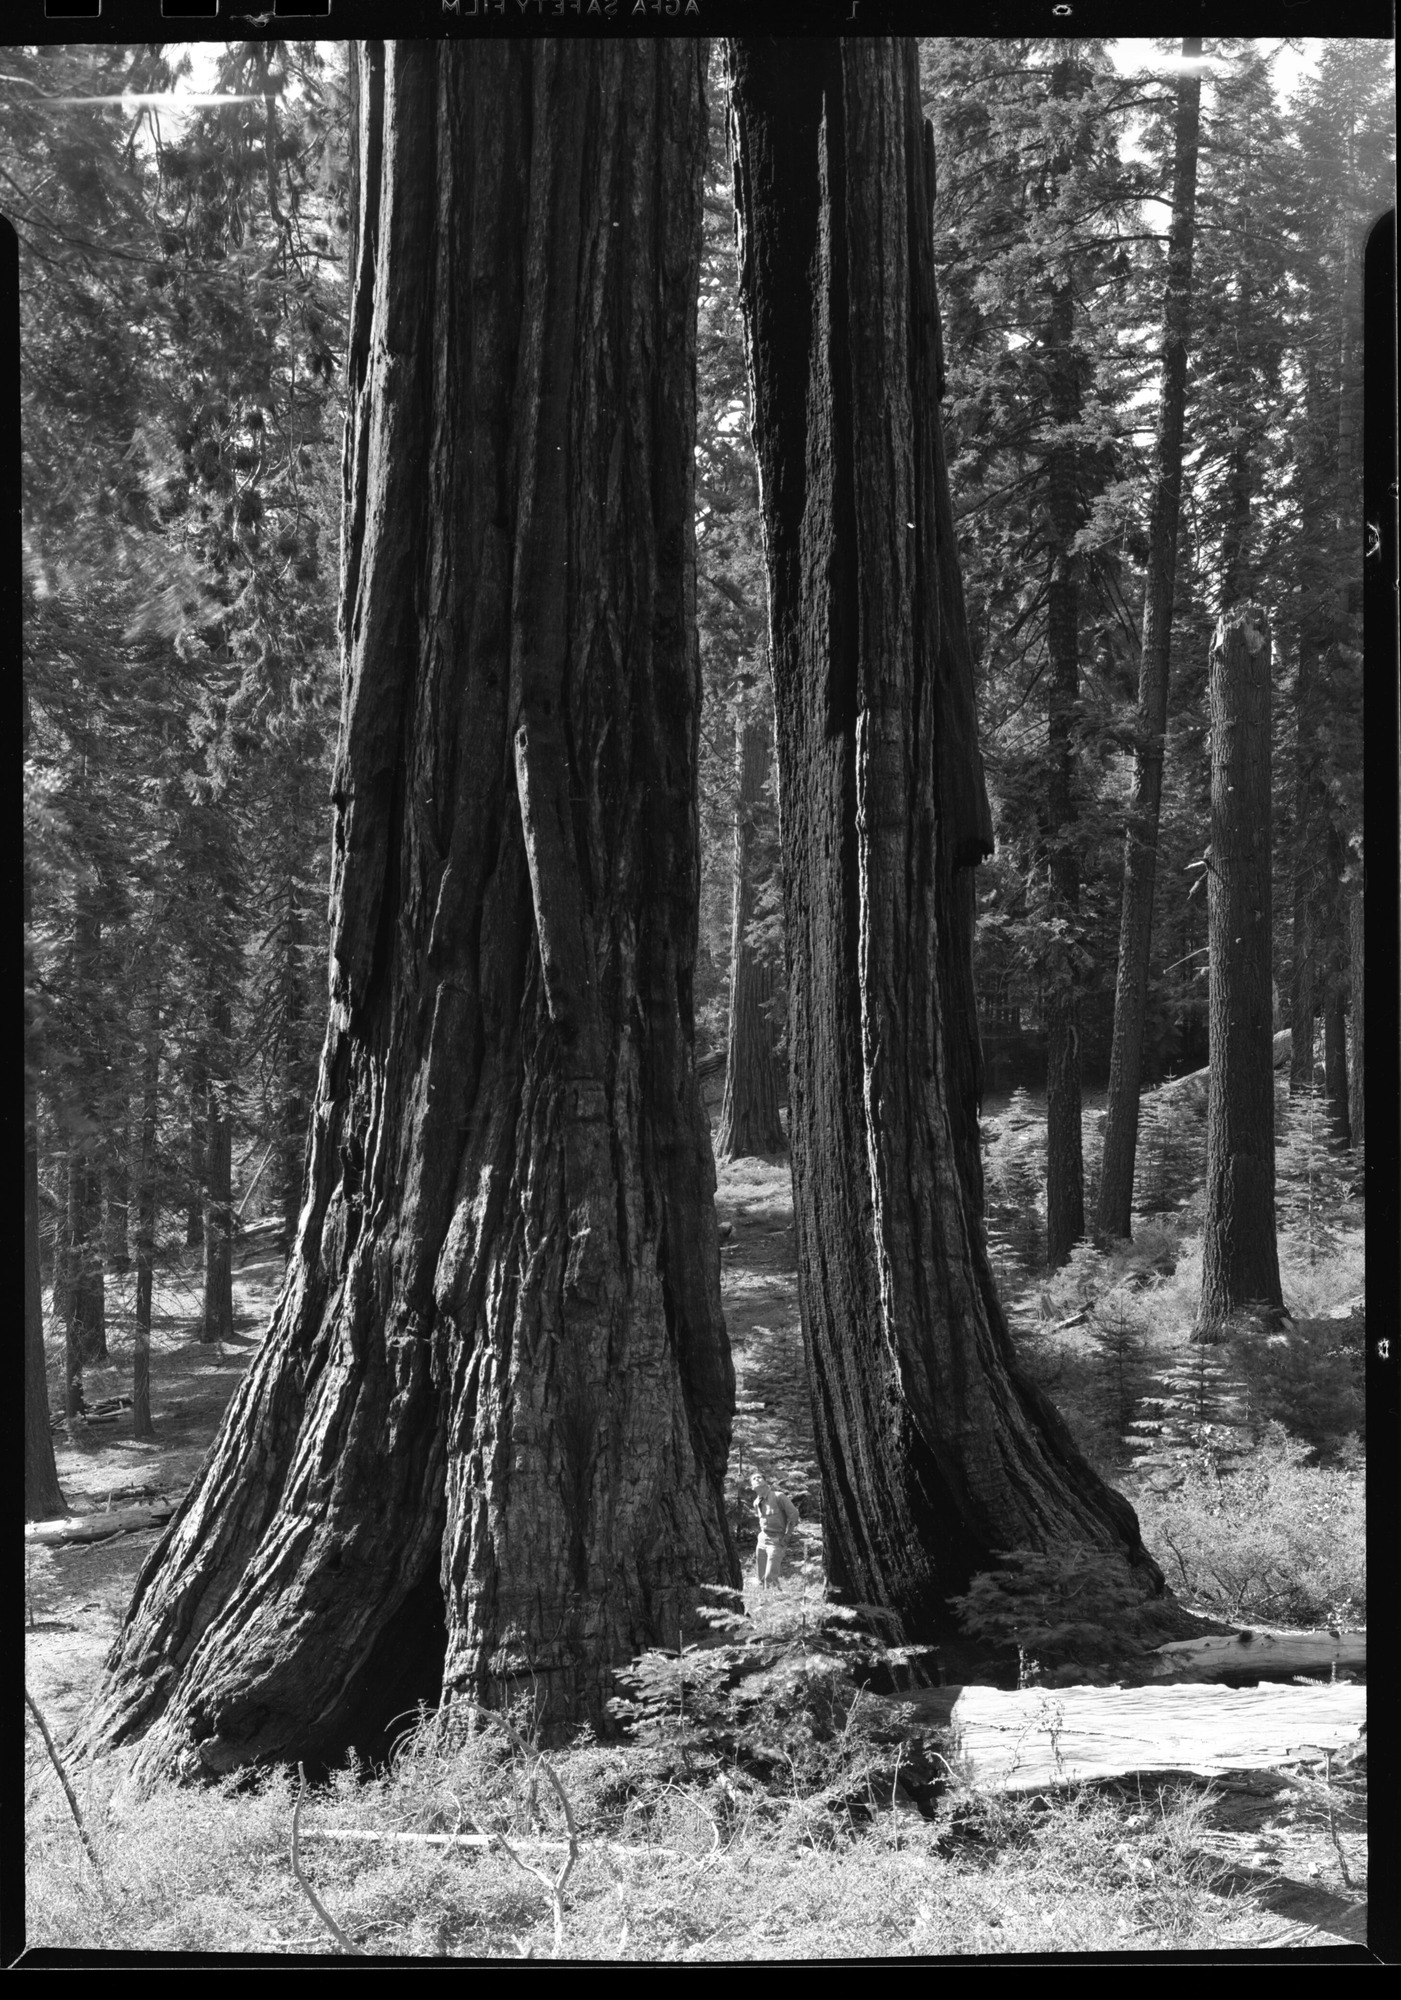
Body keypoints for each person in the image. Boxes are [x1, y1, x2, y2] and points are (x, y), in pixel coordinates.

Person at [749, 1471, 799, 1589]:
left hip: (777, 1540)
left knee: (770, 1577)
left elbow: (794, 1515)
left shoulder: (778, 1496)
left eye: (759, 1477)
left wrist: (787, 1535)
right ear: (752, 1487)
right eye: (754, 1478)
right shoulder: (756, 1502)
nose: (757, 1479)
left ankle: (776, 1602)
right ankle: (764, 1602)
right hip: (762, 1539)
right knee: (761, 1576)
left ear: (766, 1482)